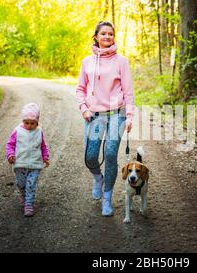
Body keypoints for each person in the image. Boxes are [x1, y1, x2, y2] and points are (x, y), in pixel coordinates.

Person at [76, 21, 134, 216]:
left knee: (110, 154)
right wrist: (84, 108)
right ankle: (98, 179)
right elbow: (80, 89)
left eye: (110, 34)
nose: (107, 37)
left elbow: (129, 92)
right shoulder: (87, 62)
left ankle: (107, 199)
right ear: (96, 37)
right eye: (103, 34)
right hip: (94, 115)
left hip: (117, 114)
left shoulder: (121, 61)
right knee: (90, 156)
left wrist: (130, 115)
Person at [6, 103, 50, 217]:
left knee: (31, 184)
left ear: (37, 121)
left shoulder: (39, 132)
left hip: (35, 164)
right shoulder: (18, 131)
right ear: (23, 121)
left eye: (33, 123)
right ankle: (23, 196)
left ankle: (29, 204)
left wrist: (45, 157)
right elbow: (10, 145)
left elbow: (43, 146)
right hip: (20, 163)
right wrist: (10, 155)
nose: (29, 125)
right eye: (27, 123)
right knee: (21, 184)